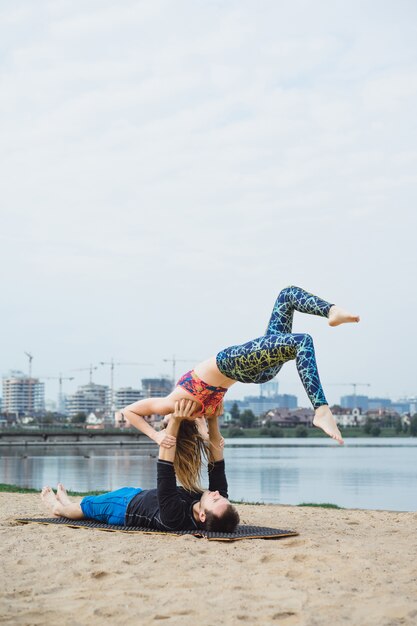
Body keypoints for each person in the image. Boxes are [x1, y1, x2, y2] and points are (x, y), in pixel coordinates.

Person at [122, 286, 360, 446]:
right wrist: (158, 435)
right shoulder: (182, 409)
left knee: (287, 296)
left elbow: (132, 412)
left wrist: (159, 434)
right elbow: (129, 410)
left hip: (257, 370)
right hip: (234, 363)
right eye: (166, 421)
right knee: (302, 342)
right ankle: (321, 410)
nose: (164, 418)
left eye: (164, 421)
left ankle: (331, 310)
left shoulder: (191, 412)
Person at [40, 400, 240, 533]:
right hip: (137, 495)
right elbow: (217, 461)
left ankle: (58, 507)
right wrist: (213, 418)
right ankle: (65, 502)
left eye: (216, 500)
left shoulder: (175, 518)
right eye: (222, 497)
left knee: (86, 507)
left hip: (122, 507)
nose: (217, 494)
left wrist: (177, 419)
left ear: (202, 516)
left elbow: (165, 467)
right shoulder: (212, 500)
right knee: (89, 502)